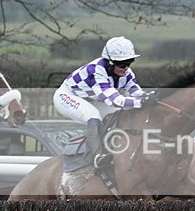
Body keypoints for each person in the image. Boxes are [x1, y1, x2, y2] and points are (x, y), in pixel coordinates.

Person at [53, 36, 146, 168]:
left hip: (95, 99)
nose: (126, 67)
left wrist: (152, 97)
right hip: (67, 96)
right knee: (93, 116)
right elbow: (115, 100)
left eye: (129, 62)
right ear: (109, 62)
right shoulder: (96, 71)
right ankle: (98, 156)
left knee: (119, 115)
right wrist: (142, 102)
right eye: (121, 64)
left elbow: (138, 93)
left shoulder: (127, 74)